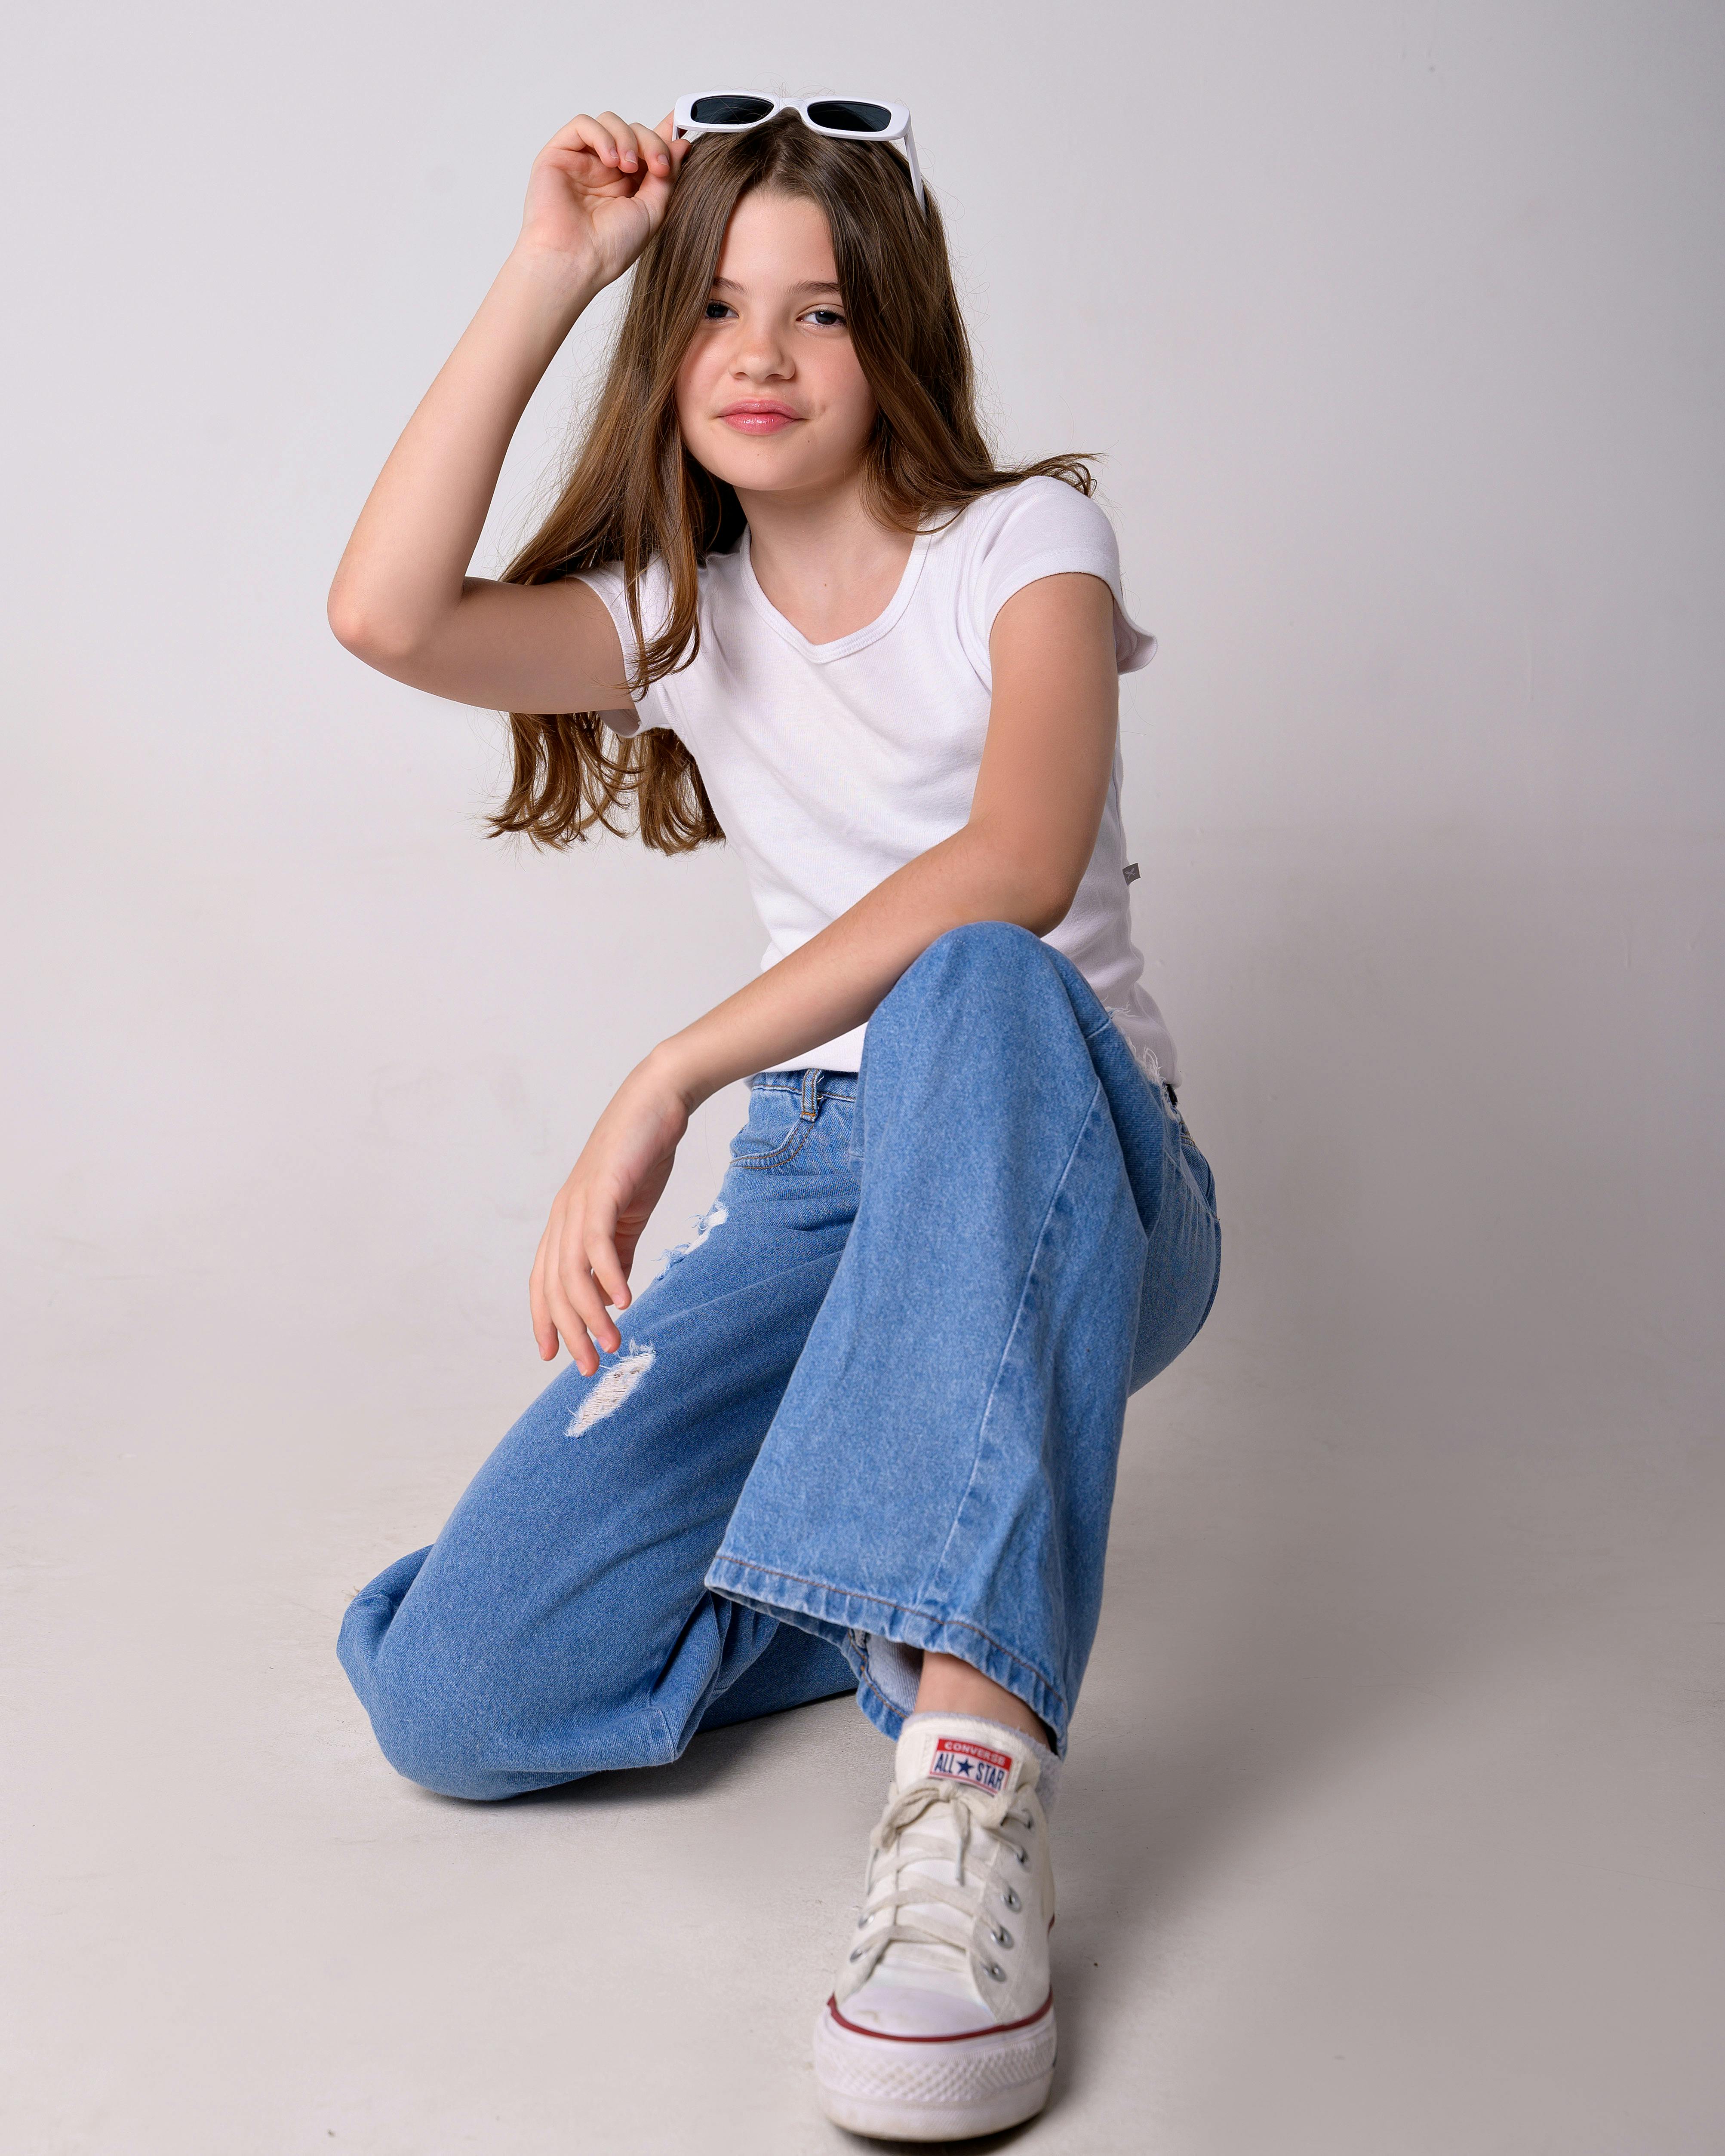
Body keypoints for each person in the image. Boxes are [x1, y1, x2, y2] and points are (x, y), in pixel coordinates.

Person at [327, 96, 1220, 2142]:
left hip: (1063, 1154)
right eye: (715, 308)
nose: (759, 351)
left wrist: (670, 1069)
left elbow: (1010, 862)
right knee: (459, 1699)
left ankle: (968, 1777)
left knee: (974, 982)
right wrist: (555, 269)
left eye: (817, 314)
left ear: (891, 338)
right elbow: (385, 617)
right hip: (819, 1192)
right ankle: (897, 1544)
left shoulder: (1027, 549)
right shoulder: (680, 605)